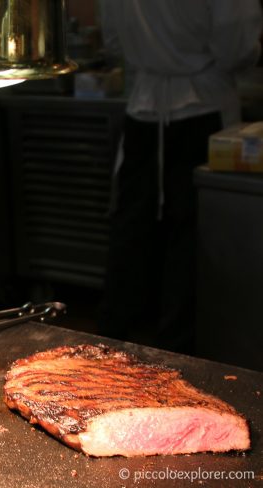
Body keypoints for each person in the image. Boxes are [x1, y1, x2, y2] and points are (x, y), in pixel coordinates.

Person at [97, 0, 263, 353]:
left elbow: (111, 41)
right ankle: (176, 347)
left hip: (142, 110)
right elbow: (237, 46)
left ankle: (109, 340)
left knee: (131, 228)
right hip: (203, 108)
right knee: (190, 236)